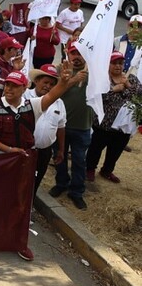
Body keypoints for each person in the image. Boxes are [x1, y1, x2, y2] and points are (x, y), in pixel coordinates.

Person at [0, 65, 72, 261]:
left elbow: (54, 94)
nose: (9, 89)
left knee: (21, 203)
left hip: (23, 165)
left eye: (14, 86)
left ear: (24, 88)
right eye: (7, 85)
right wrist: (8, 150)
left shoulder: (33, 105)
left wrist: (63, 81)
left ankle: (19, 242)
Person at [86, 52, 142, 184]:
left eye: (120, 63)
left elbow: (139, 95)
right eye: (114, 63)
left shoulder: (131, 78)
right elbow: (97, 97)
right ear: (108, 64)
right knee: (96, 148)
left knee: (116, 150)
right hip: (104, 123)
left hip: (123, 126)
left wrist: (128, 86)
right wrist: (114, 90)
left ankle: (107, 170)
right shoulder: (103, 79)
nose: (118, 66)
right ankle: (89, 168)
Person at [49, 45, 92, 211]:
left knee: (79, 161)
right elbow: (53, 92)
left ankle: (76, 192)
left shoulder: (92, 72)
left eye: (80, 53)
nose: (77, 57)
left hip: (82, 126)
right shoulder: (61, 70)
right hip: (61, 126)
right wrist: (72, 79)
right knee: (59, 156)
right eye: (74, 53)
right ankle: (61, 183)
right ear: (68, 53)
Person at [26, 65, 66, 194]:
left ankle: (29, 207)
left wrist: (61, 150)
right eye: (45, 82)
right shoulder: (24, 96)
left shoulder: (59, 103)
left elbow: (61, 127)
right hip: (24, 150)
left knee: (36, 181)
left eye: (52, 84)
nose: (48, 86)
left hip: (44, 152)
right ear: (36, 81)